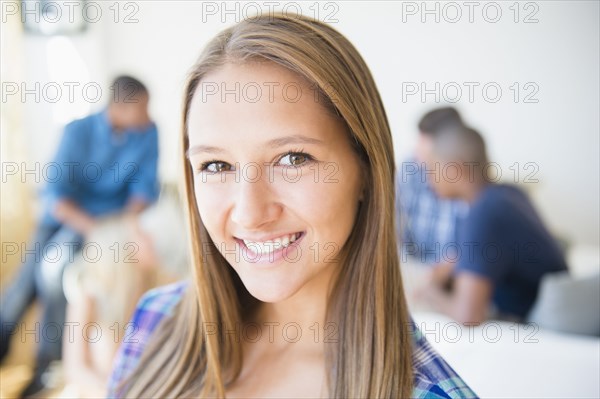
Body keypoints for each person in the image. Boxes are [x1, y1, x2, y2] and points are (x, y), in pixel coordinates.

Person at [106, 13, 477, 398]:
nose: (250, 213)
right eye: (216, 165)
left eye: (293, 159)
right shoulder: (155, 319)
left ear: (365, 171)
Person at [0, 75, 159, 397]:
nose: (147, 115)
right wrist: (96, 231)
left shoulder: (148, 132)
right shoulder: (77, 131)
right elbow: (56, 197)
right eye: (140, 108)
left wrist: (117, 231)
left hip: (111, 225)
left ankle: (47, 366)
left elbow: (143, 190)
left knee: (57, 276)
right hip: (67, 220)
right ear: (119, 106)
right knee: (28, 284)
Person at [417, 125, 568, 324]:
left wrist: (430, 292)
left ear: (455, 170)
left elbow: (468, 316)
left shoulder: (484, 213)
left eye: (431, 169)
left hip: (539, 319)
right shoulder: (508, 194)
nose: (429, 180)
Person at [397, 107, 468, 265]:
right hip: (412, 265)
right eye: (419, 139)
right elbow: (391, 221)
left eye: (425, 141)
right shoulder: (410, 167)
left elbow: (468, 249)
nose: (418, 148)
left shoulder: (466, 177)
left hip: (450, 275)